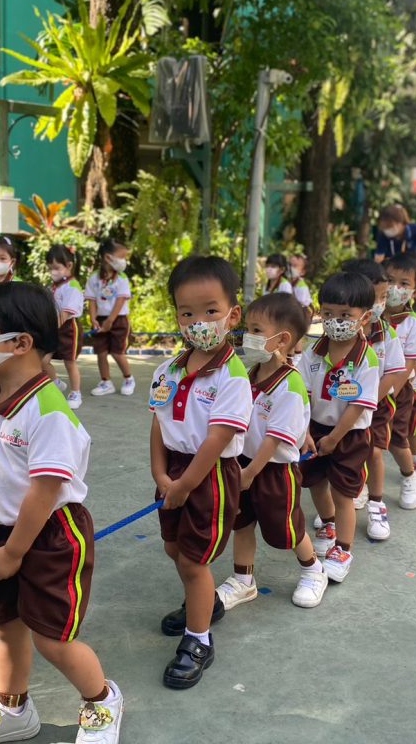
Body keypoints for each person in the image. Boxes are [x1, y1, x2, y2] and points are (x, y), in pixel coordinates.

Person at [0, 283, 123, 744]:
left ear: (20, 343)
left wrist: (14, 552)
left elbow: (44, 493)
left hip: (51, 535)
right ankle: (14, 709)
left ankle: (102, 700)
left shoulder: (48, 411)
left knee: (51, 637)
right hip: (1, 531)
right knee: (7, 626)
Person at [149, 255, 251, 689]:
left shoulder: (233, 375)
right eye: (187, 313)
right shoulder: (169, 369)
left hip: (209, 476)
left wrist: (185, 484)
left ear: (233, 314)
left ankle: (198, 639)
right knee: (174, 548)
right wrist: (160, 475)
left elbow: (217, 438)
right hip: (173, 472)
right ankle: (203, 601)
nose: (198, 323)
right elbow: (158, 424)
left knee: (194, 559)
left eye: (211, 311)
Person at [214, 293, 328, 611]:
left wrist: (251, 473)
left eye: (256, 330)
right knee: (241, 522)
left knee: (287, 528)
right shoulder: (249, 374)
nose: (247, 336)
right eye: (247, 328)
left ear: (282, 339)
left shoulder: (289, 384)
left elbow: (275, 438)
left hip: (273, 471)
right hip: (242, 463)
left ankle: (313, 569)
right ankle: (243, 580)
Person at [297, 272, 380, 583]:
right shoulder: (313, 351)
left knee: (344, 492)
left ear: (365, 317)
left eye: (345, 315)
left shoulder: (366, 359)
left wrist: (334, 437)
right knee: (315, 482)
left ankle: (343, 549)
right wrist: (305, 432)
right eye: (329, 313)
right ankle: (328, 523)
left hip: (350, 434)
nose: (335, 321)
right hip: (315, 429)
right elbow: (302, 394)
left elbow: (359, 406)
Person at [338, 260, 408, 540]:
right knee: (344, 454)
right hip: (343, 407)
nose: (381, 304)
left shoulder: (386, 333)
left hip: (376, 406)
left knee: (375, 452)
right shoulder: (341, 333)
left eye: (383, 297)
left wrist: (369, 401)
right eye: (375, 297)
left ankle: (377, 504)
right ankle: (343, 499)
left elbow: (394, 372)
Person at [385, 252, 416, 495]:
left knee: (408, 431)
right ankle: (362, 486)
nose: (395, 288)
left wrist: (389, 391)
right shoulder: (374, 316)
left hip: (406, 389)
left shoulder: (413, 323)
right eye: (390, 280)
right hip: (379, 388)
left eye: (404, 283)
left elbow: (411, 365)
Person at [85, 239, 135, 397]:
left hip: (118, 320)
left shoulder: (122, 278)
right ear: (108, 258)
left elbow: (120, 301)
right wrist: (93, 319)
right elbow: (92, 301)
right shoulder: (94, 278)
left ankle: (128, 379)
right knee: (101, 352)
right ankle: (106, 382)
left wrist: (110, 321)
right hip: (100, 320)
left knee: (117, 352)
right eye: (122, 257)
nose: (124, 261)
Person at [43, 244, 84, 410]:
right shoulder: (54, 286)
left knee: (70, 362)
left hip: (68, 328)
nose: (53, 271)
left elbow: (64, 315)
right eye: (50, 268)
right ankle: (56, 383)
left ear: (69, 265)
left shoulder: (72, 287)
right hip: (53, 327)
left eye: (56, 268)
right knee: (43, 361)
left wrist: (48, 329)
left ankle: (76, 392)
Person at [373, 204, 416, 274]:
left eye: (389, 226)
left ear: (400, 223)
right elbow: (379, 258)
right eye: (384, 227)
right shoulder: (383, 235)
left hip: (412, 269)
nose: (387, 230)